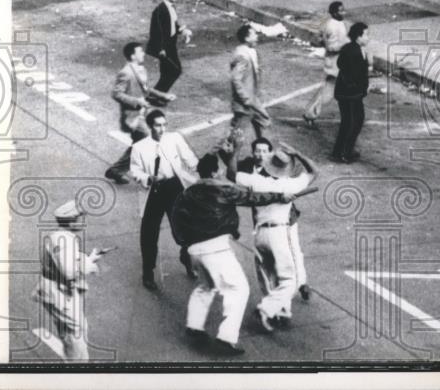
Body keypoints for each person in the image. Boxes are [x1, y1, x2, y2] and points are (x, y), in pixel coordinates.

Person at [171, 138, 303, 356]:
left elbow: (177, 220)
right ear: (214, 173)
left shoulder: (187, 192)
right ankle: (225, 338)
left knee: (205, 286)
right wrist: (280, 196)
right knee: (239, 289)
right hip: (216, 248)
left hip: (194, 250)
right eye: (220, 170)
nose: (223, 174)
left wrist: (185, 244)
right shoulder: (222, 189)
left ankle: (194, 326)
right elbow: (252, 197)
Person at [235, 139, 318, 332]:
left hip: (260, 234)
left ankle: (280, 312)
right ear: (287, 168)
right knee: (292, 281)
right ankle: (266, 309)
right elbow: (315, 171)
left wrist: (236, 150)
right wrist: (297, 152)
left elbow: (232, 174)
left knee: (270, 275)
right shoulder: (290, 184)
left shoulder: (257, 180)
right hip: (280, 233)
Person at [130, 109, 199, 290]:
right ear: (150, 126)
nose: (162, 129)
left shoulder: (174, 138)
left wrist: (203, 166)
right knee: (149, 233)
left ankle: (186, 256)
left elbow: (190, 159)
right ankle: (148, 272)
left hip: (174, 187)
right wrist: (147, 178)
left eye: (164, 125)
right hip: (154, 191)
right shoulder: (139, 148)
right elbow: (135, 171)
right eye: (157, 125)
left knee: (185, 227)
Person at [31, 200, 106, 361]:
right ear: (71, 222)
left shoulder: (61, 236)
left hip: (59, 289)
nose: (83, 220)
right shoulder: (63, 241)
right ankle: (77, 369)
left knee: (73, 328)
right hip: (59, 291)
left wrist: (90, 257)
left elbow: (69, 261)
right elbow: (69, 272)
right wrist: (89, 264)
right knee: (75, 330)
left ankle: (73, 362)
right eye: (79, 218)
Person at [105, 42, 175, 185]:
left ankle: (116, 170)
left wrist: (163, 95)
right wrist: (136, 101)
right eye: (140, 52)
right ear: (133, 56)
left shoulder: (140, 69)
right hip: (132, 117)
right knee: (149, 142)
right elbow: (116, 93)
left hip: (142, 114)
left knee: (140, 144)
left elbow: (146, 89)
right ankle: (154, 176)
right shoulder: (126, 72)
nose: (143, 54)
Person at [302, 1, 349, 126]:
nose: (344, 12)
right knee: (329, 92)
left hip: (338, 62)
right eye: (341, 10)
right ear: (334, 13)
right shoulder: (332, 26)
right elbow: (332, 47)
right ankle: (310, 113)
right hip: (335, 63)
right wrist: (347, 46)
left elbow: (322, 40)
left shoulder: (336, 23)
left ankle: (311, 112)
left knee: (331, 89)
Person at [333, 22, 370, 163]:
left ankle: (339, 150)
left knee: (347, 121)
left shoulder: (350, 48)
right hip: (351, 94)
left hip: (345, 92)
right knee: (356, 121)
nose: (368, 38)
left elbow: (340, 64)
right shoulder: (354, 51)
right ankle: (345, 152)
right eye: (366, 34)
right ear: (358, 36)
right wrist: (358, 87)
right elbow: (354, 73)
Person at [147, 0, 192, 98]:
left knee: (168, 72)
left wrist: (182, 30)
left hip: (171, 43)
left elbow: (172, 24)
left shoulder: (171, 7)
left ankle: (158, 95)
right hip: (164, 46)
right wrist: (161, 49)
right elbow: (156, 32)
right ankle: (156, 95)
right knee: (175, 70)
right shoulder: (160, 10)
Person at [230, 24, 272, 140]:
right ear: (247, 38)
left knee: (240, 128)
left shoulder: (250, 51)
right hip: (246, 100)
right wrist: (246, 99)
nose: (257, 37)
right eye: (254, 34)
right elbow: (235, 79)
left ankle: (260, 147)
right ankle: (263, 148)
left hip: (248, 99)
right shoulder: (242, 55)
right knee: (264, 120)